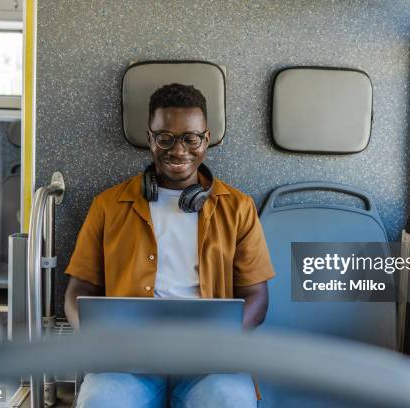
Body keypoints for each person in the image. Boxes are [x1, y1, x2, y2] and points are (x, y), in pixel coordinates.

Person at [64, 83, 275, 407]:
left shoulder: (238, 207)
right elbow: (79, 289)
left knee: (229, 399)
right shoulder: (108, 205)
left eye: (191, 138)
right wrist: (99, 344)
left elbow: (257, 297)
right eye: (166, 138)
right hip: (125, 364)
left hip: (210, 365)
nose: (179, 150)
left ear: (206, 140)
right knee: (100, 400)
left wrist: (216, 348)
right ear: (150, 139)